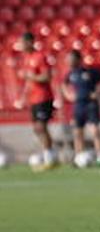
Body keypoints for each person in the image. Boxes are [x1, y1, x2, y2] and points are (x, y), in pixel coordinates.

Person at [17, 32, 57, 170]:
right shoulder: (26, 59)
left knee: (41, 127)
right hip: (33, 98)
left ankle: (49, 159)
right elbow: (29, 81)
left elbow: (47, 77)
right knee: (37, 129)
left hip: (43, 97)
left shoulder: (40, 57)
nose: (20, 46)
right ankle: (51, 155)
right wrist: (23, 97)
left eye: (21, 43)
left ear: (29, 42)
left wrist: (31, 76)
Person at [62, 49, 100, 167]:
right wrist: (68, 95)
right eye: (68, 59)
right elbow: (63, 85)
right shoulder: (70, 74)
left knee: (95, 131)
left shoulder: (89, 72)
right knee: (77, 132)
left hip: (91, 104)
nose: (69, 61)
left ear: (78, 59)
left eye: (71, 58)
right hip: (78, 105)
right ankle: (79, 157)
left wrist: (98, 92)